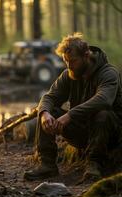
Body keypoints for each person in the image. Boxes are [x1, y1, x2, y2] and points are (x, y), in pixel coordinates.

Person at [24, 33, 122, 181]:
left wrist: (70, 115)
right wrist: (44, 113)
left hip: (110, 135)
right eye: (66, 61)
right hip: (82, 132)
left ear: (86, 55)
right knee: (49, 110)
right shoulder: (68, 74)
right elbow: (49, 97)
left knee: (103, 114)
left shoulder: (108, 73)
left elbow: (104, 100)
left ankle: (94, 164)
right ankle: (47, 164)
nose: (69, 65)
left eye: (73, 61)